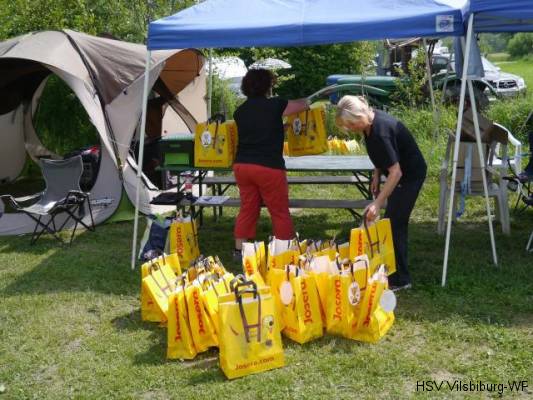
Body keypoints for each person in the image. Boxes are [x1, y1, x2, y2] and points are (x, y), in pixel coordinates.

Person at [335, 95, 427, 291]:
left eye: (351, 124)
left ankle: (401, 280)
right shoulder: (369, 123)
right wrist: (377, 174)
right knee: (390, 221)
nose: (351, 129)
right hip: (397, 174)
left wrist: (377, 203)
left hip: (410, 176)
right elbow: (383, 156)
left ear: (359, 115)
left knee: (394, 224)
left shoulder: (380, 132)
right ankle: (389, 268)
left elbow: (396, 172)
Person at [232, 69, 309, 260]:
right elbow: (303, 105)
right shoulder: (275, 104)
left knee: (248, 208)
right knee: (279, 210)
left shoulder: (239, 112)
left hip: (243, 166)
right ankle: (284, 252)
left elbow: (256, 130)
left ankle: (239, 250)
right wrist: (310, 98)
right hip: (268, 166)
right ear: (267, 86)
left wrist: (279, 128)